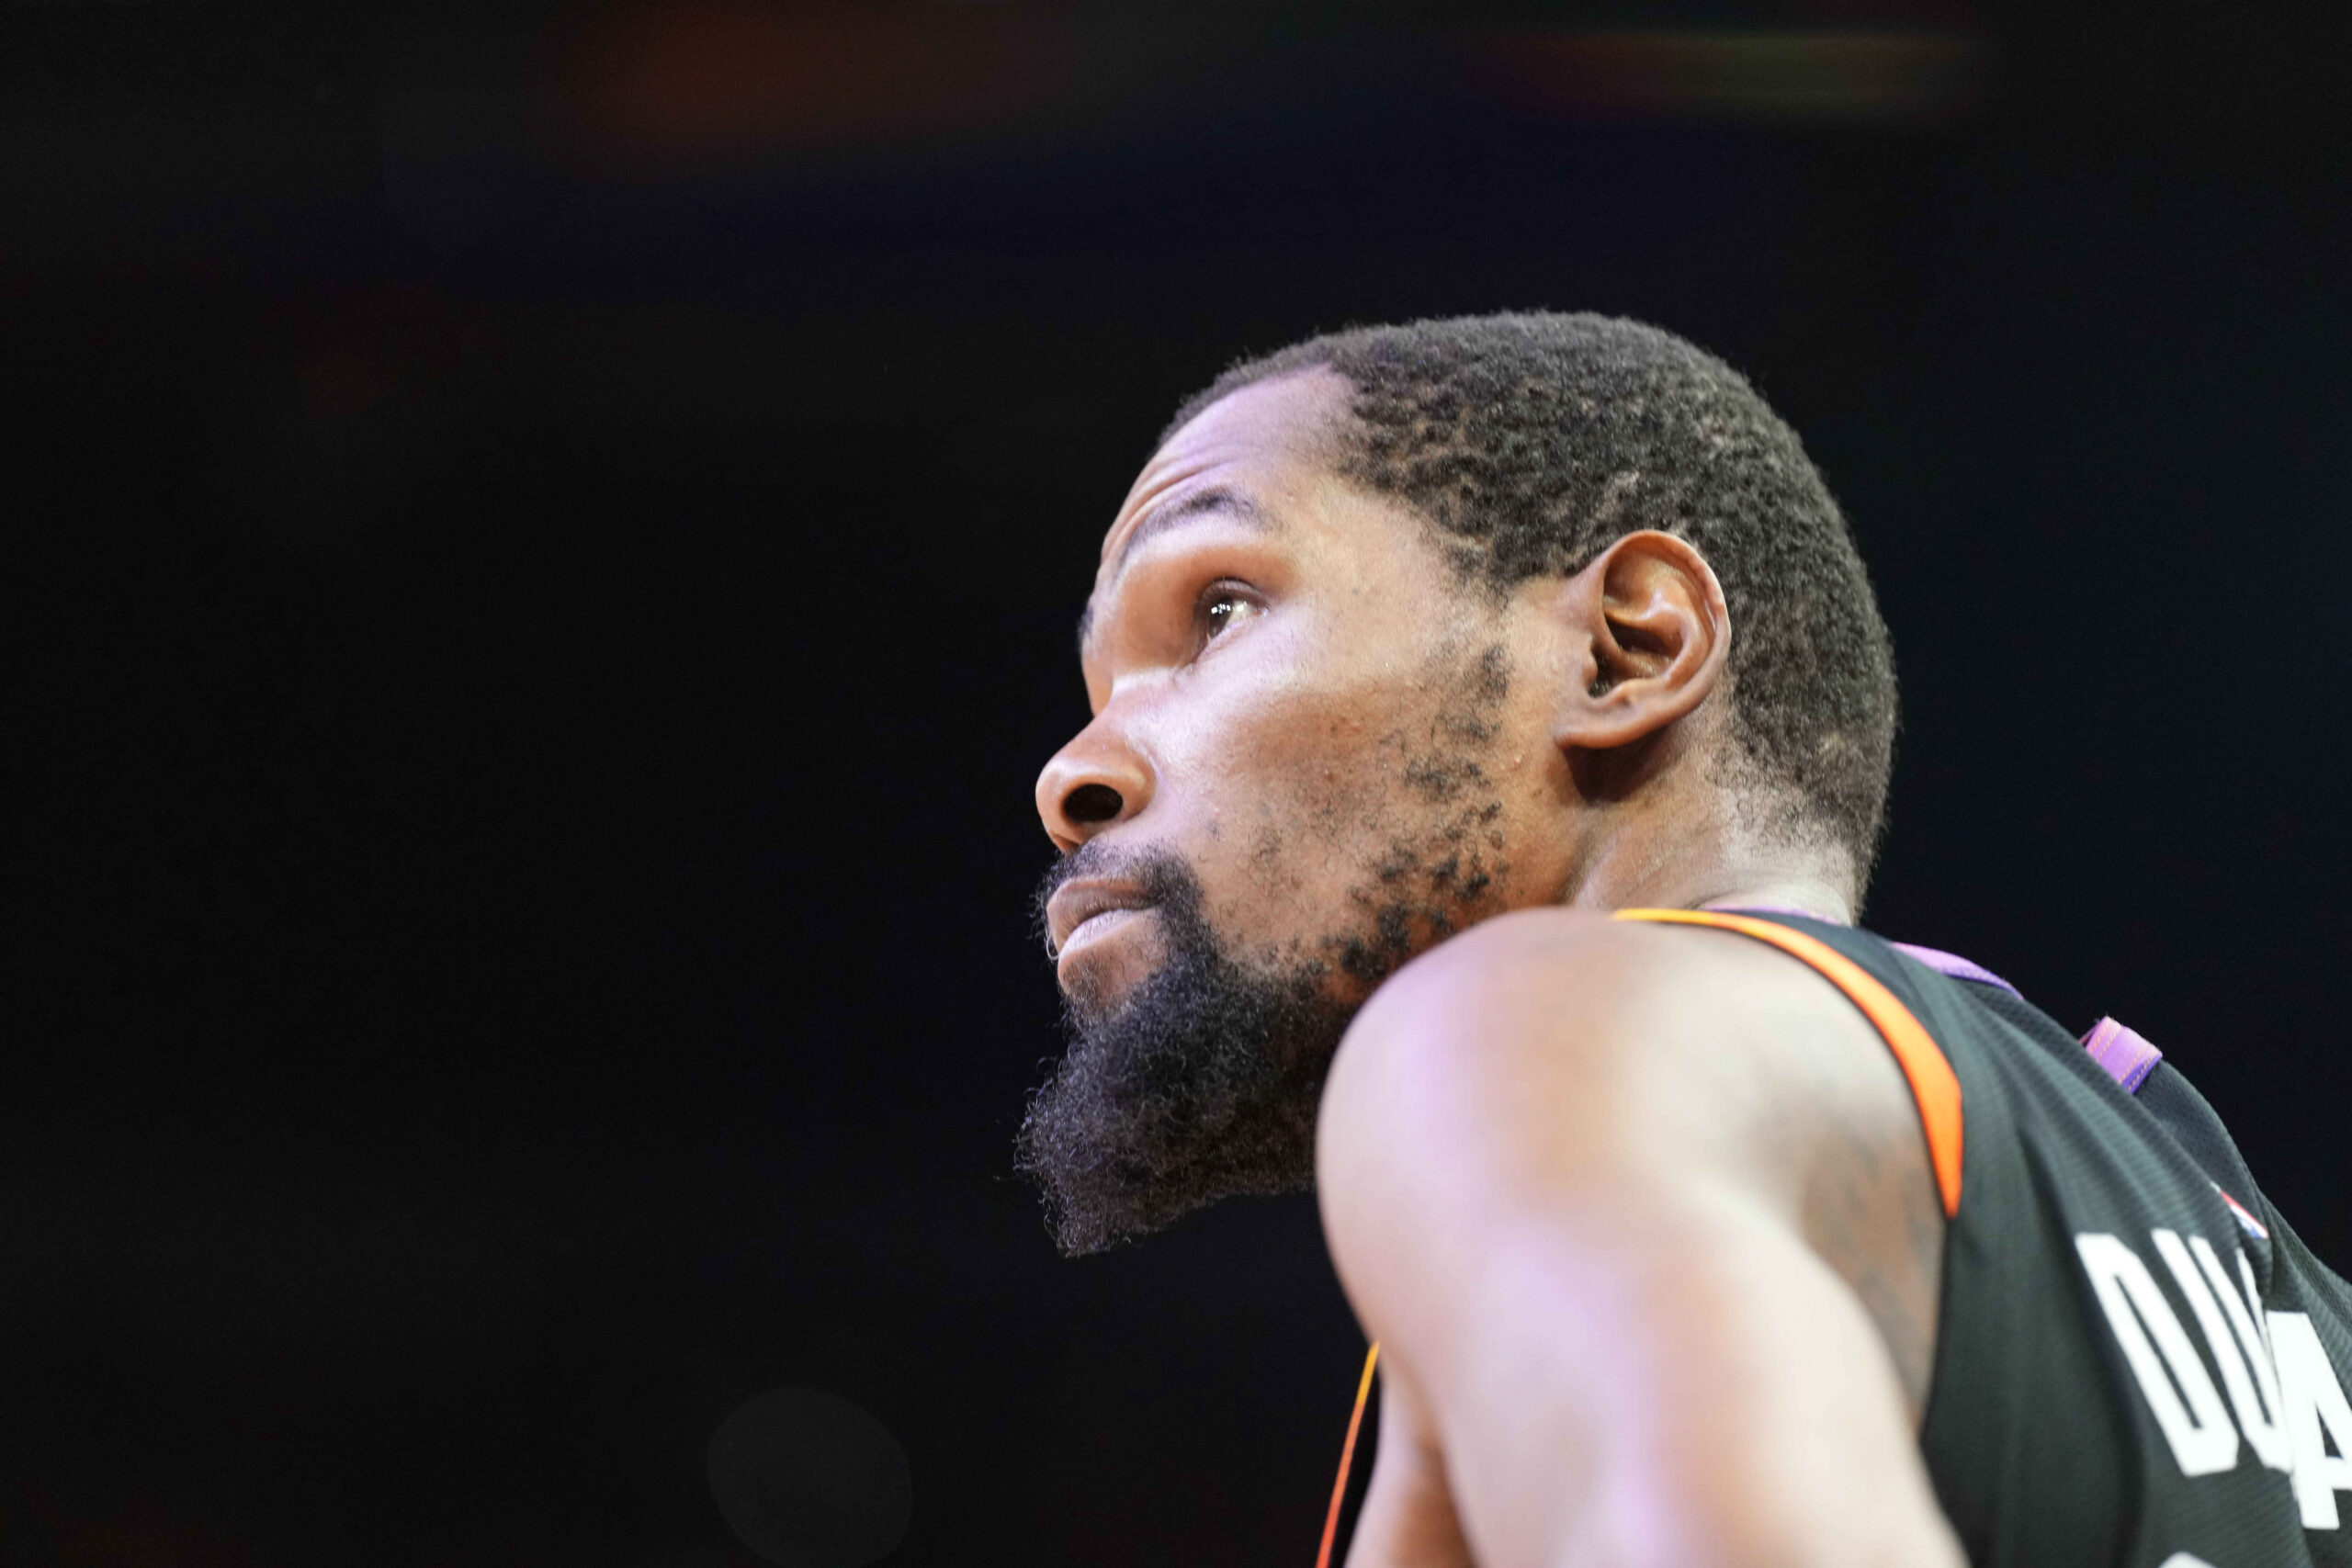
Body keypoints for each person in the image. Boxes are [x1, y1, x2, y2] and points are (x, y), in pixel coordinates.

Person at [1017, 312, 2352, 1567]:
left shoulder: (1531, 1031)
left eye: (1219, 610)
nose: (1074, 773)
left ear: (1626, 649)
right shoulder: (2292, 1307)